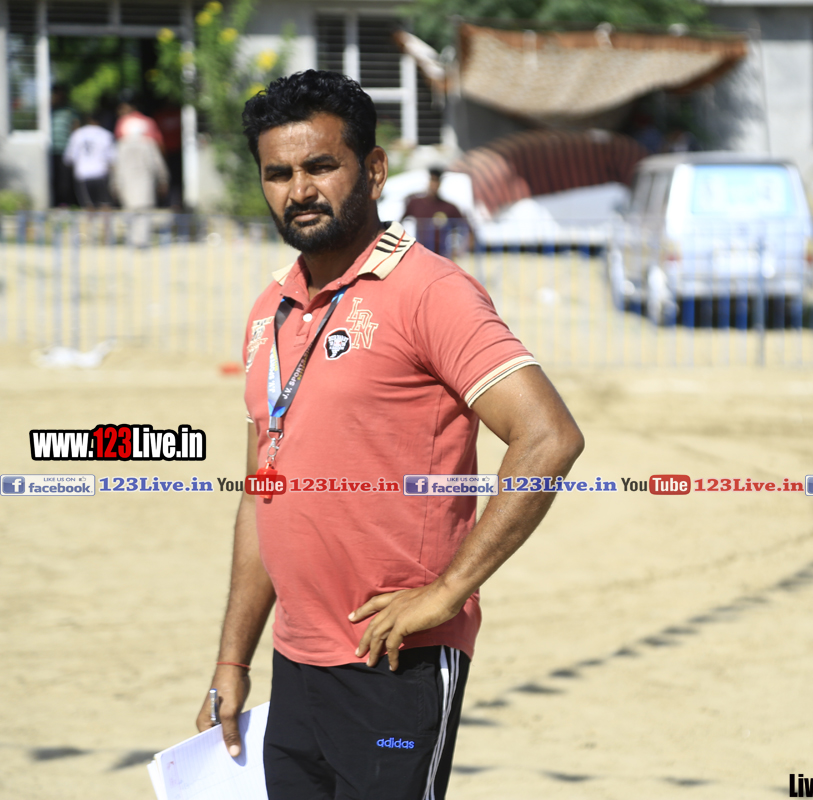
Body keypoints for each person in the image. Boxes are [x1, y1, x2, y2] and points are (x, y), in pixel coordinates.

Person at [196, 70, 584, 800]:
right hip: (295, 664)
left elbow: (549, 436)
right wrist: (232, 660)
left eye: (320, 166)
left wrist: (449, 591)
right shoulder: (270, 308)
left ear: (373, 170)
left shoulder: (430, 292)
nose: (299, 190)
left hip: (396, 662)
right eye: (278, 174)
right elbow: (260, 496)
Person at [110, 117, 169, 246]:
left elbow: (116, 167)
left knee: (130, 212)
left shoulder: (121, 145)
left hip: (126, 184)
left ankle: (133, 239)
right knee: (144, 213)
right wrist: (163, 180)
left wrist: (114, 185)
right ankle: (141, 241)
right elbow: (158, 165)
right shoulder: (148, 144)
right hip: (145, 183)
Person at [401, 167, 473, 257]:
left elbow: (467, 229)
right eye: (432, 180)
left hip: (441, 254)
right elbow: (399, 224)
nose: (434, 184)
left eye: (437, 181)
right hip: (420, 253)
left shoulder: (449, 207)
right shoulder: (415, 203)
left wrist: (460, 250)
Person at [63, 112, 114, 209]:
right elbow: (112, 158)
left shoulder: (77, 134)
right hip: (100, 172)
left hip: (83, 174)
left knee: (88, 206)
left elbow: (69, 158)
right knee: (105, 205)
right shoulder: (106, 134)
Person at [50, 85, 78, 207]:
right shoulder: (48, 112)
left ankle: (66, 203)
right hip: (51, 151)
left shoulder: (70, 112)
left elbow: (75, 129)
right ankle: (56, 203)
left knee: (65, 179)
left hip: (66, 150)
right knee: (54, 178)